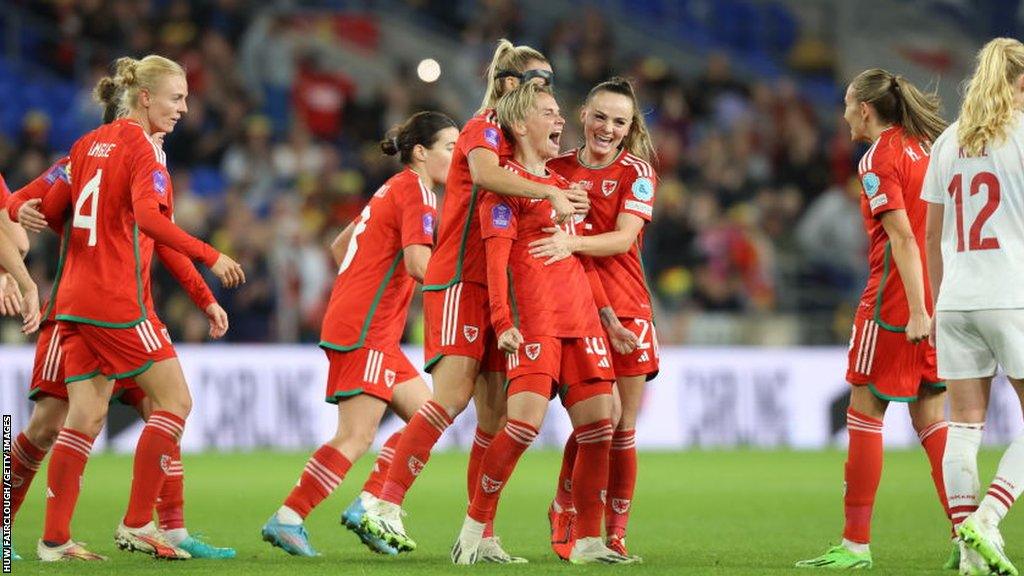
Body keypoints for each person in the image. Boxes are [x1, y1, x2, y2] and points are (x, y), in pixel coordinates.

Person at [361, 39, 588, 564]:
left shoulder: (513, 142)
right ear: (510, 85)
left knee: (491, 419)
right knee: (450, 399)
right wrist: (551, 193)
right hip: (460, 280)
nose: (546, 91)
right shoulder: (483, 127)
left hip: (495, 287)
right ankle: (384, 502)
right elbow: (484, 176)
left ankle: (479, 533)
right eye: (537, 81)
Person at [6, 89, 235, 561]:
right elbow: (27, 202)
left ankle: (157, 529)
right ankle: (136, 525)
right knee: (52, 425)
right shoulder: (115, 152)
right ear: (140, 104)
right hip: (102, 306)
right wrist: (20, 217)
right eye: (176, 98)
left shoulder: (107, 155)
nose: (183, 109)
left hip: (107, 307)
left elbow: (160, 241)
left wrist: (204, 297)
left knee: (128, 411)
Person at [448, 81, 636, 565]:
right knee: (523, 426)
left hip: (582, 318)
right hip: (536, 319)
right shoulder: (506, 187)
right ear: (520, 123)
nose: (560, 121)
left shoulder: (562, 187)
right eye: (549, 113)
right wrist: (503, 322)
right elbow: (495, 262)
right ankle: (475, 528)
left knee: (600, 424)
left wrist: (608, 319)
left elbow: (580, 262)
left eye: (558, 112)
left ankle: (588, 540)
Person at [259, 111, 457, 558]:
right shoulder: (421, 196)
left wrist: (366, 279)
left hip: (368, 324)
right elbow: (417, 265)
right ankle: (290, 516)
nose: (458, 155)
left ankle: (370, 504)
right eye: (450, 147)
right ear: (421, 153)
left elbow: (339, 246)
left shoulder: (393, 188)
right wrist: (464, 291)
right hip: (368, 327)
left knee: (430, 416)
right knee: (355, 436)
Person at [795, 68, 953, 570]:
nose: (842, 114)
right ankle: (969, 532)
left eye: (846, 104)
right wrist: (934, 302)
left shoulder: (877, 159)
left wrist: (917, 311)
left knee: (864, 412)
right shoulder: (923, 149)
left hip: (893, 306)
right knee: (931, 418)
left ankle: (855, 544)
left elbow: (904, 238)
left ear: (865, 109)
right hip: (934, 294)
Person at [531, 77, 658, 560]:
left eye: (619, 121)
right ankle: (565, 505)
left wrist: (572, 241)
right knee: (597, 421)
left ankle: (616, 532)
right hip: (576, 309)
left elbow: (624, 240)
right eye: (600, 116)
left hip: (629, 307)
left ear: (629, 129)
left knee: (623, 426)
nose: (607, 128)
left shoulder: (637, 172)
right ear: (583, 114)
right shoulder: (553, 169)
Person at [925, 37, 1024, 576]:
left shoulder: (947, 141)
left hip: (956, 300)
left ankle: (968, 556)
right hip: (1013, 294)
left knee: (963, 425)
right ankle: (985, 520)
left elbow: (932, 232)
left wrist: (939, 305)